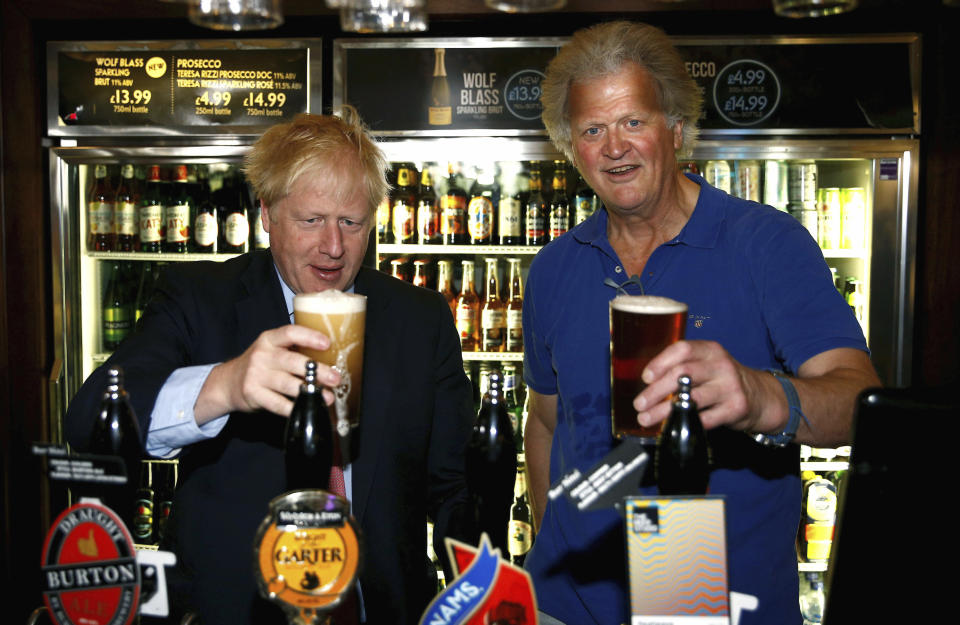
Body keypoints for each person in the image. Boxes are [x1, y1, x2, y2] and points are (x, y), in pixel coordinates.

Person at [522, 21, 881, 625]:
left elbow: (860, 397)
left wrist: (761, 397)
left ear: (677, 129)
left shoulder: (765, 243)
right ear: (570, 147)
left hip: (703, 598)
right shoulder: (555, 267)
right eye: (592, 129)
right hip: (569, 604)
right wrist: (547, 549)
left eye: (634, 121)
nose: (615, 146)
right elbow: (545, 420)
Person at [65, 108, 475, 625]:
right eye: (311, 220)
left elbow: (454, 482)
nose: (332, 246)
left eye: (351, 222)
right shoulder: (200, 298)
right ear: (266, 214)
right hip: (235, 608)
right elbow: (87, 423)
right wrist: (225, 384)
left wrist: (477, 586)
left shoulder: (420, 317)